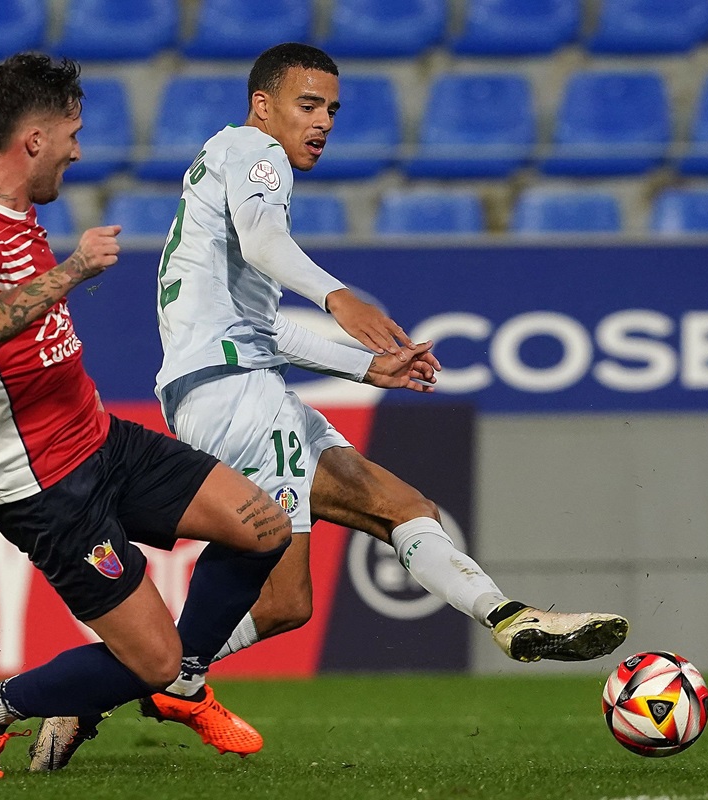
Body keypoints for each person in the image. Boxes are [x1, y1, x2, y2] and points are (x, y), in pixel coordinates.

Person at [136, 42, 630, 755]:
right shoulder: (253, 150)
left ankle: (508, 616)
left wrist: (369, 368)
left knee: (376, 533)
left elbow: (265, 324)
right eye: (308, 105)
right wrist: (336, 296)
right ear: (262, 105)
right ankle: (114, 681)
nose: (323, 122)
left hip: (231, 381)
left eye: (332, 109)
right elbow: (266, 239)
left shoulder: (223, 170)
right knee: (278, 598)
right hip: (237, 394)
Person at [0, 52, 293, 779]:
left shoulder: (19, 216)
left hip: (100, 441)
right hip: (44, 483)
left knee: (264, 526)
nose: (77, 149)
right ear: (33, 140)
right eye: (71, 132)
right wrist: (73, 272)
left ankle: (180, 682)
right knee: (145, 658)